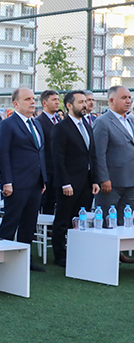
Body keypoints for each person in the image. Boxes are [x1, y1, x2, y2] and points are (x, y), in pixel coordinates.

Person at [0, 88, 47, 272]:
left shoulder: (36, 124)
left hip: (35, 183)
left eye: (33, 99)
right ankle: (2, 260)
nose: (32, 102)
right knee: (11, 222)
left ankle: (25, 260)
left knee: (29, 223)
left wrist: (43, 179)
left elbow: (40, 153)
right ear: (15, 103)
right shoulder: (8, 124)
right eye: (27, 99)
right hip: (16, 183)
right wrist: (7, 181)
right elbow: (2, 154)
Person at [50, 90, 100, 268]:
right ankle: (60, 255)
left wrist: (95, 180)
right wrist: (65, 182)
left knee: (80, 220)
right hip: (68, 184)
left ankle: (76, 251)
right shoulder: (61, 128)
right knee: (63, 220)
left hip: (86, 183)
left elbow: (91, 155)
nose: (85, 105)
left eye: (85, 102)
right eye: (80, 102)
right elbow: (58, 158)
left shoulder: (87, 126)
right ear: (69, 106)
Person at [93, 86, 134, 264]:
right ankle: (103, 257)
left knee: (124, 220)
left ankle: (118, 253)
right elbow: (98, 153)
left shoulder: (131, 120)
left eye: (129, 97)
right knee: (106, 220)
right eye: (124, 97)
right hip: (112, 181)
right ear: (112, 100)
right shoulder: (103, 122)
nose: (128, 100)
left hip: (130, 180)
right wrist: (103, 178)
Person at [36, 90, 61, 215]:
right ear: (44, 102)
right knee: (45, 204)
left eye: (58, 99)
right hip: (47, 170)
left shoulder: (59, 120)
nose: (57, 102)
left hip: (58, 170)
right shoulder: (39, 122)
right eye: (54, 100)